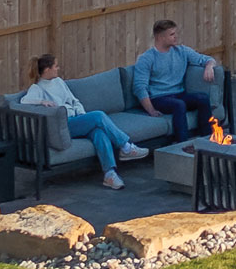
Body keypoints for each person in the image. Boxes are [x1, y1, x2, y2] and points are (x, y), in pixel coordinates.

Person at [20, 54, 148, 191]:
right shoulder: (37, 88)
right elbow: (24, 101)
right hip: (64, 125)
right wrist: (42, 101)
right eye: (55, 66)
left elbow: (74, 100)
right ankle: (126, 146)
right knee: (98, 115)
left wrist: (81, 113)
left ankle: (110, 174)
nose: (58, 68)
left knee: (99, 133)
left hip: (76, 119)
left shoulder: (59, 82)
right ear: (46, 70)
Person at [133, 20, 217, 144]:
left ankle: (208, 140)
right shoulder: (147, 58)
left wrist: (209, 67)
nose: (176, 37)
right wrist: (151, 110)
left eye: (175, 33)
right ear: (161, 37)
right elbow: (139, 87)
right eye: (172, 34)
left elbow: (206, 59)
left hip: (178, 94)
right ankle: (182, 145)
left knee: (202, 98)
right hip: (158, 98)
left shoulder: (182, 51)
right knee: (179, 105)